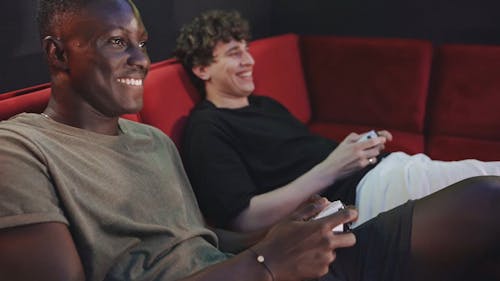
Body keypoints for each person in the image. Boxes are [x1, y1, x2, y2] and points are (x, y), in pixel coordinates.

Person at [0, 2, 499, 281]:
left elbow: (204, 240)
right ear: (57, 54)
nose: (141, 59)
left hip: (250, 268)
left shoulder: (152, 141)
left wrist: (290, 229)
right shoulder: (19, 150)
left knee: (485, 202)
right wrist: (265, 263)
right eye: (116, 42)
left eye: (142, 43)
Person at [175, 10, 500, 231]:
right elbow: (242, 218)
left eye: (247, 49)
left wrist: (358, 149)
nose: (249, 60)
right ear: (202, 69)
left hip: (392, 169)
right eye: (234, 53)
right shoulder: (207, 128)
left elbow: (301, 157)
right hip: (369, 196)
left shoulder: (264, 104)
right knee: (490, 191)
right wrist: (334, 166)